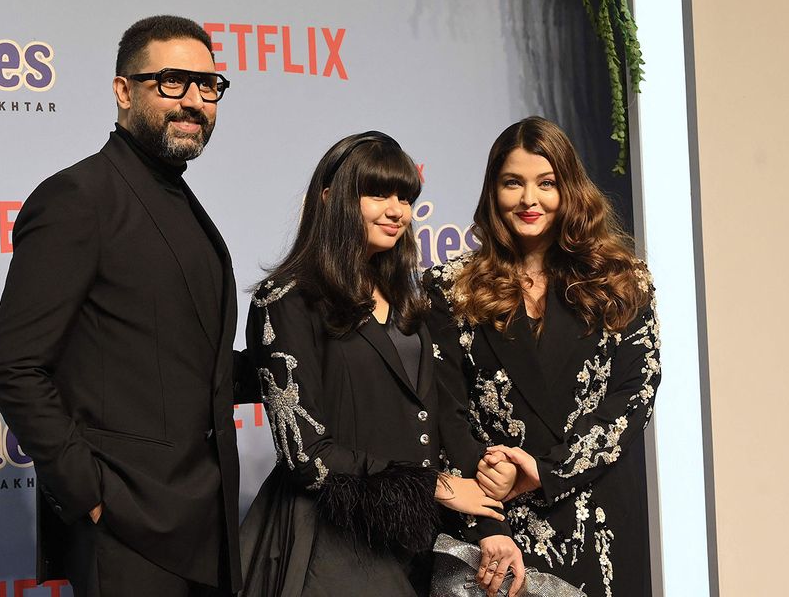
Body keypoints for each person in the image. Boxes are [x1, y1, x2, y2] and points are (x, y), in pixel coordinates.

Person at [0, 15, 248, 597]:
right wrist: (87, 494)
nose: (194, 102)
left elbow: (186, 366)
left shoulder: (182, 202)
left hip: (204, 526)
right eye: (172, 82)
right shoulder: (79, 198)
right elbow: (14, 364)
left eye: (208, 86)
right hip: (126, 528)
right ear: (122, 90)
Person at [239, 131, 525, 597]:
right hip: (328, 548)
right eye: (378, 193)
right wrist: (440, 487)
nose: (397, 210)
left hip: (414, 546)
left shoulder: (412, 301)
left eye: (406, 196)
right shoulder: (287, 300)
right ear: (330, 197)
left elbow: (440, 420)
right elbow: (306, 455)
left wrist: (488, 527)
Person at [423, 116, 661, 597]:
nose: (529, 200)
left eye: (546, 183)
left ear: (569, 189)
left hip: (599, 517)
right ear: (494, 191)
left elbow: (634, 397)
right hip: (497, 525)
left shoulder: (623, 281)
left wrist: (544, 470)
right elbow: (446, 411)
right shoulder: (450, 288)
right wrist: (487, 520)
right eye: (514, 183)